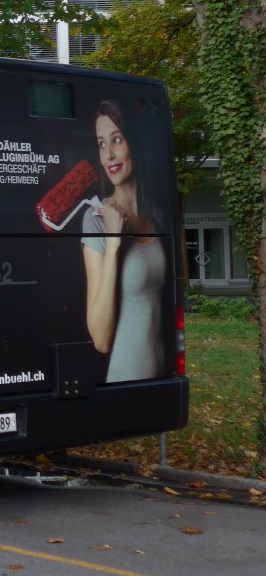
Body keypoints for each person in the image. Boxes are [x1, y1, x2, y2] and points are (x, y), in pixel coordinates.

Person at [81, 100, 167, 382]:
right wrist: (114, 240)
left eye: (116, 140)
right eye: (102, 144)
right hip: (126, 385)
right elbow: (100, 339)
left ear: (134, 143)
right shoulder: (94, 220)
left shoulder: (156, 215)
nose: (109, 155)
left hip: (161, 381)